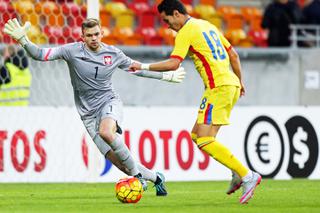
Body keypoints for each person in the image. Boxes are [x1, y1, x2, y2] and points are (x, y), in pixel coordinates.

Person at [3, 18, 186, 196]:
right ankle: (156, 178)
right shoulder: (71, 51)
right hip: (87, 114)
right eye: (89, 35)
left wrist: (165, 76)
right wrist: (23, 40)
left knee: (107, 132)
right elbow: (40, 55)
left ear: (102, 34)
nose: (93, 38)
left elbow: (137, 69)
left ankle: (138, 178)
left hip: (109, 102)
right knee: (122, 164)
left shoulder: (113, 53)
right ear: (82, 36)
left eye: (97, 34)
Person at [129, 0, 261, 204]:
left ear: (176, 14)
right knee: (197, 135)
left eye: (167, 20)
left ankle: (247, 176)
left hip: (218, 88)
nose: (167, 26)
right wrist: (239, 82)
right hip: (229, 84)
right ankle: (237, 172)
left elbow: (174, 64)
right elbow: (233, 55)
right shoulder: (207, 25)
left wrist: (143, 66)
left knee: (204, 139)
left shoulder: (186, 31)